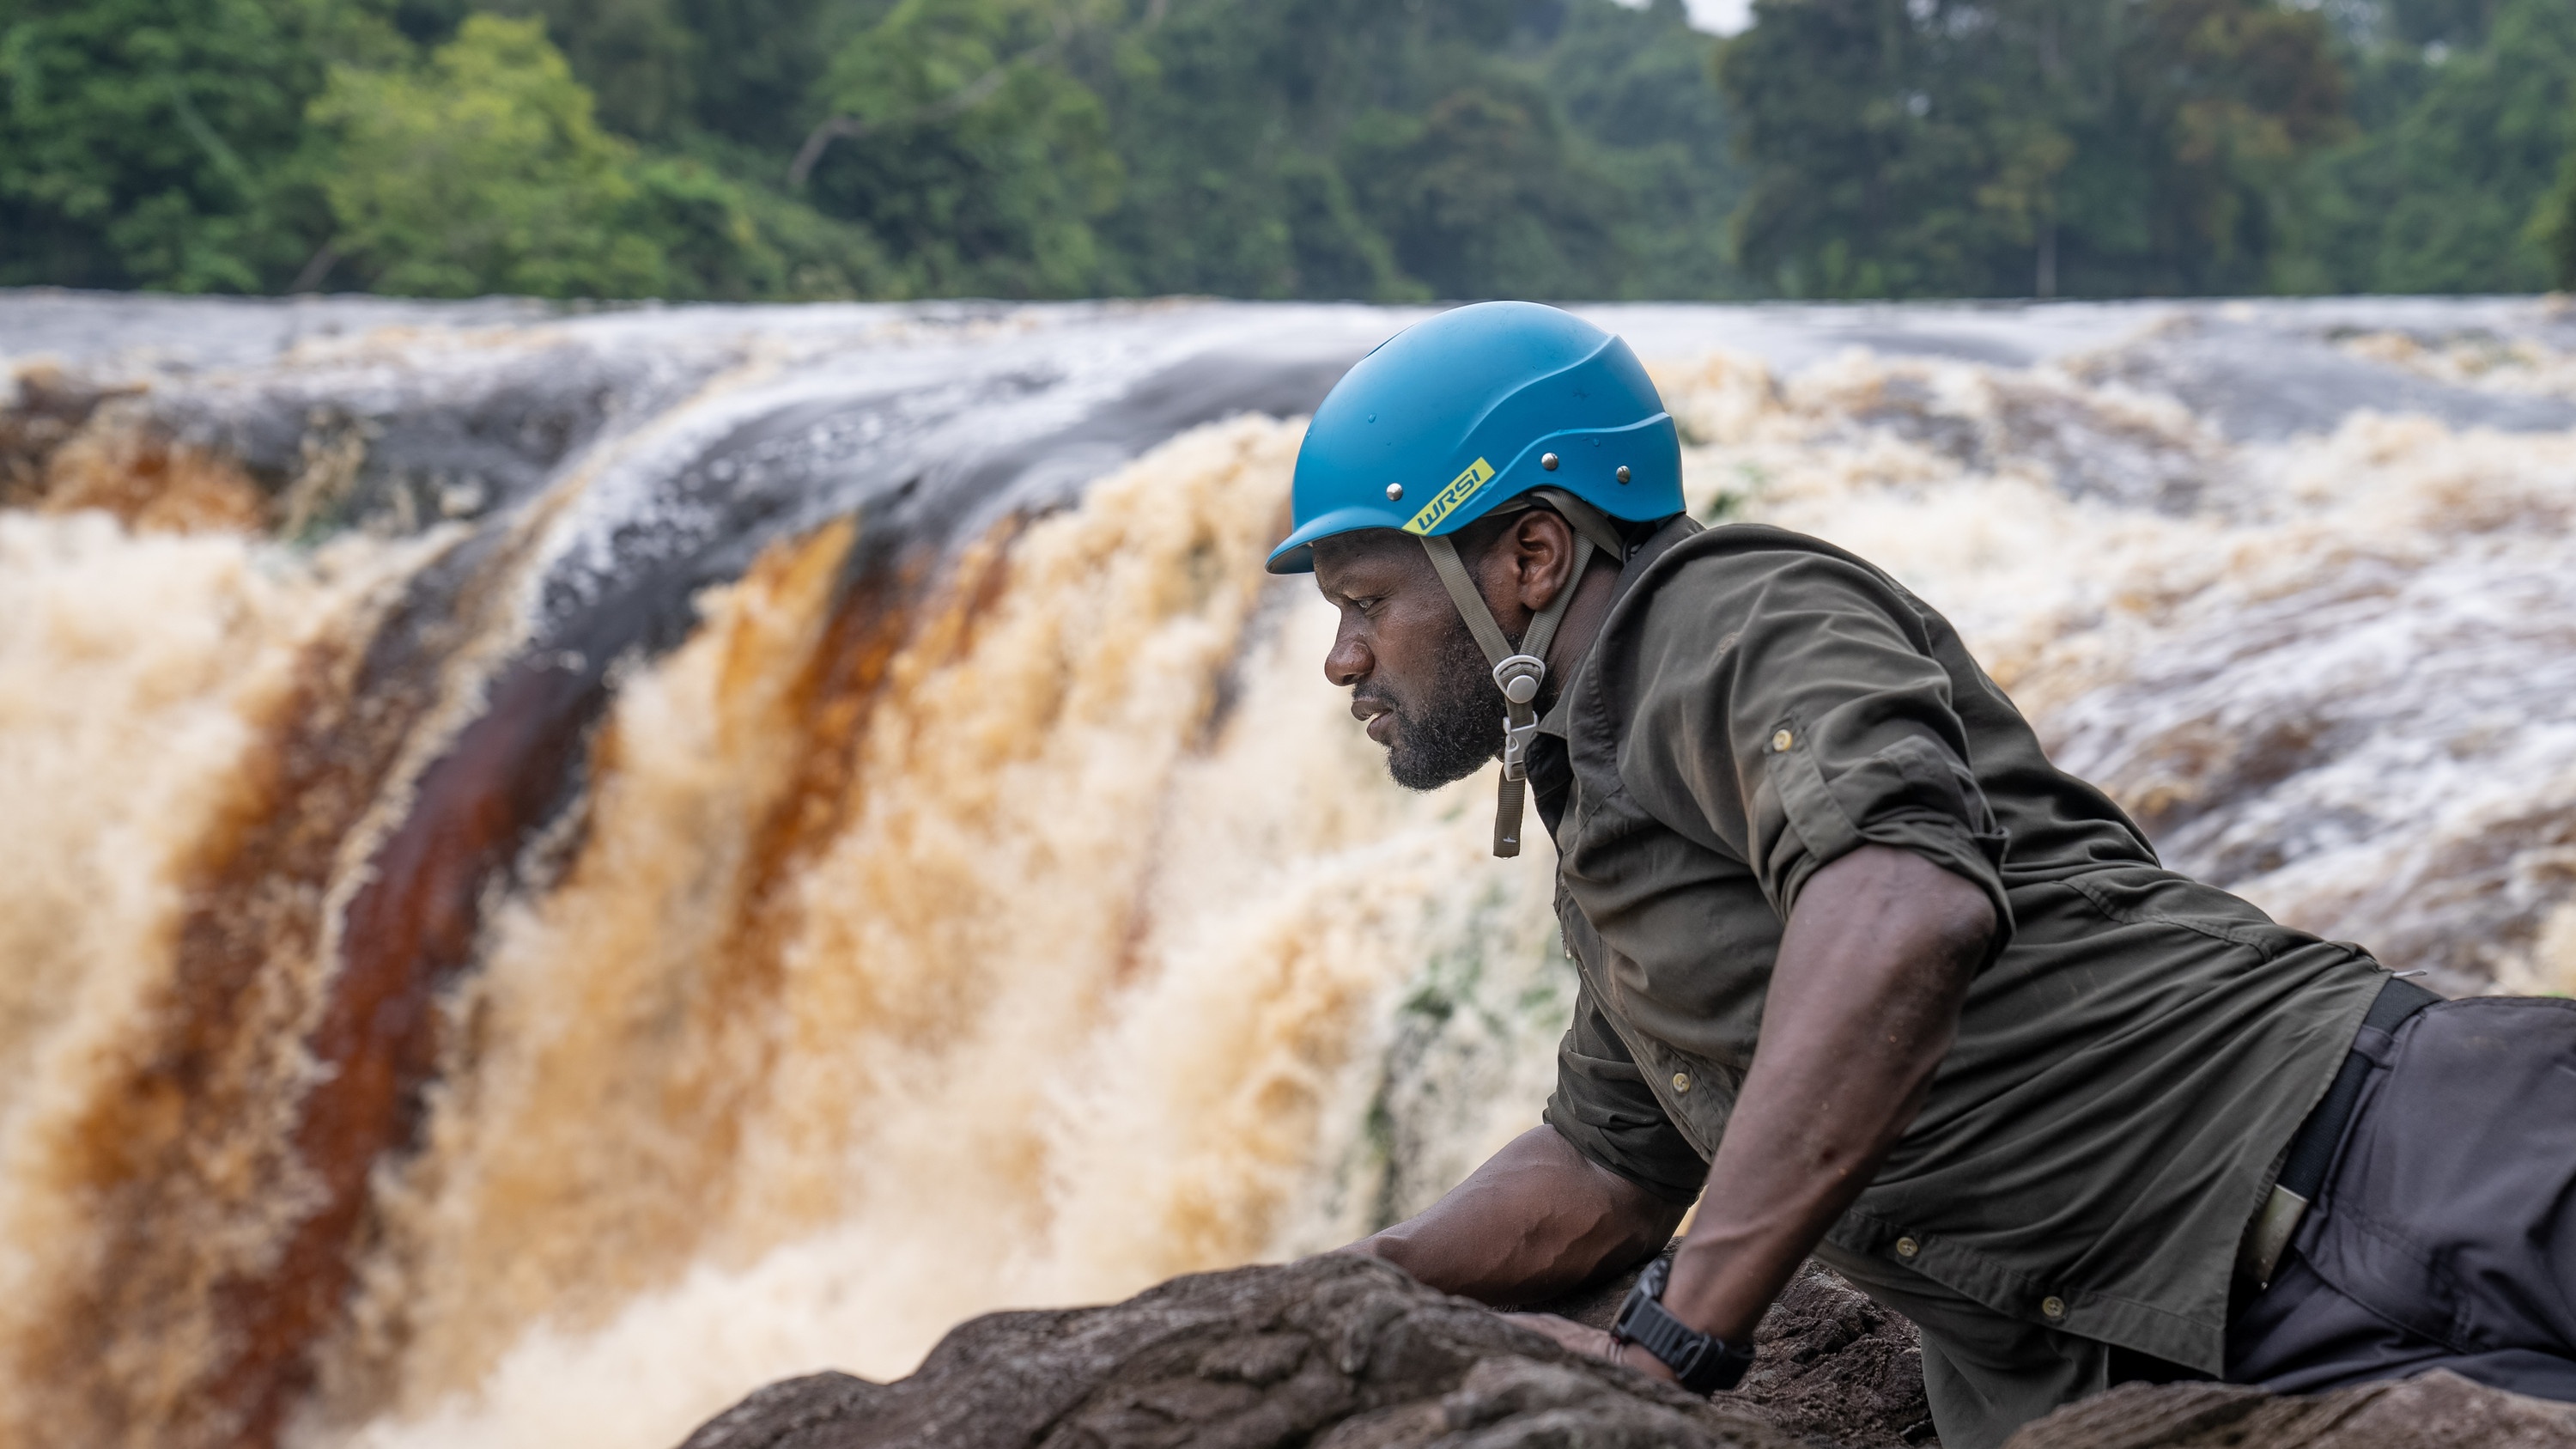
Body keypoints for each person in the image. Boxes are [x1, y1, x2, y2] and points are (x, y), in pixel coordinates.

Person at [1267, 301, 2576, 1448]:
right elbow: (1608, 1167)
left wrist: (1675, 1340)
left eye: (1366, 600)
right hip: (2225, 1319)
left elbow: (1905, 907)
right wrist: (1342, 1292)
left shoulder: (1734, 614)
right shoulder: (1605, 787)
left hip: (2398, 1170)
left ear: (1532, 558)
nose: (1343, 657)